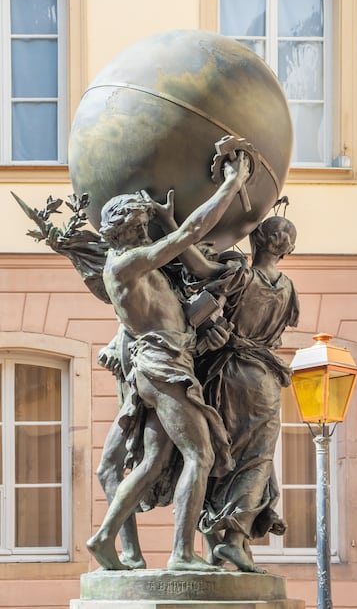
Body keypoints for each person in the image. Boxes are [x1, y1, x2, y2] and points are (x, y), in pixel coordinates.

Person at [84, 151, 250, 570]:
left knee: (154, 461)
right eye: (142, 224)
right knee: (200, 455)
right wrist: (232, 182)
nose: (147, 230)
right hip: (163, 367)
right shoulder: (128, 264)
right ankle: (181, 555)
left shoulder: (125, 262)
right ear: (130, 228)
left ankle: (104, 539)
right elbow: (193, 232)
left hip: (163, 365)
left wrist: (165, 219)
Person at [166, 215, 299, 572]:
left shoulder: (242, 276)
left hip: (226, 376)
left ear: (254, 239)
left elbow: (199, 264)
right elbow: (276, 337)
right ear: (288, 249)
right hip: (262, 379)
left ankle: (221, 544)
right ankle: (235, 542)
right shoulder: (288, 288)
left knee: (222, 458)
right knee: (256, 459)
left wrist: (172, 227)